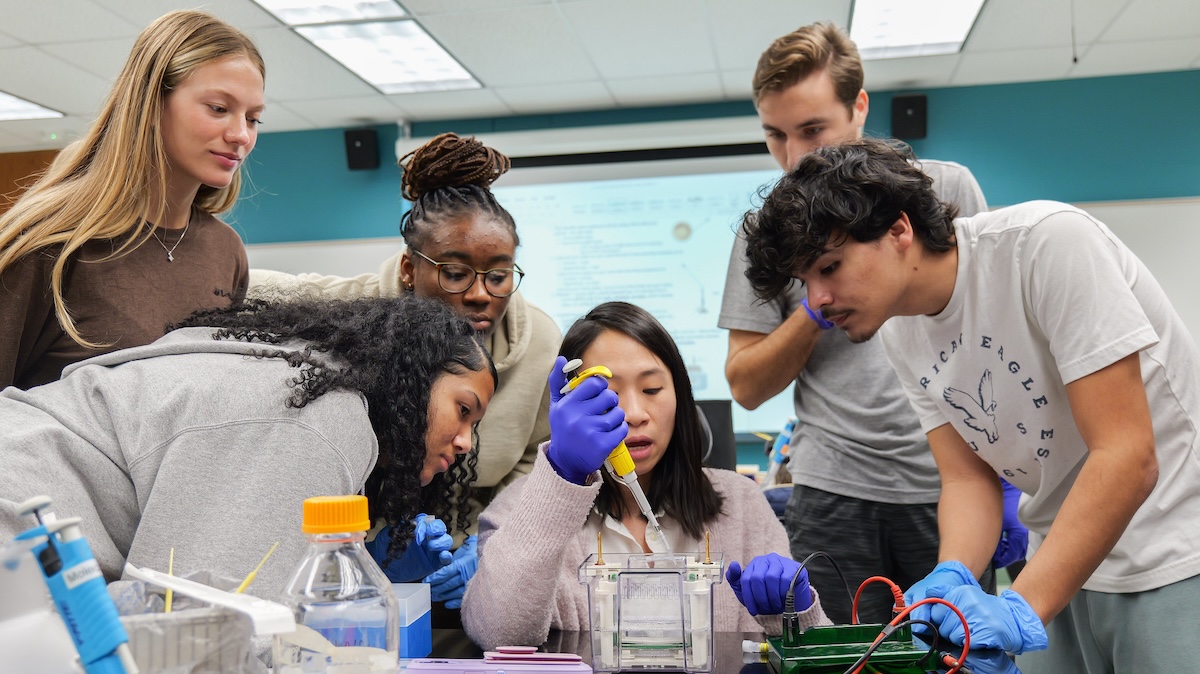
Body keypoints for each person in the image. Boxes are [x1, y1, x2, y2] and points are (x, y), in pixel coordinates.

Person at [741, 137, 1200, 672]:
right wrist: (950, 578)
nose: (815, 300)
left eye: (830, 266)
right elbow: (966, 480)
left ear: (899, 230)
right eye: (805, 281)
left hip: (1171, 550)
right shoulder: (901, 333)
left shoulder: (1047, 244)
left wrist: (1021, 605)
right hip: (1063, 559)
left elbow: (1127, 453)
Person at [718, 21, 1007, 625]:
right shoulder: (767, 233)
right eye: (775, 135)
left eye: (812, 130)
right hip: (834, 487)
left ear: (859, 108)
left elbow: (993, 326)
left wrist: (1007, 476)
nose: (794, 156)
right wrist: (816, 307)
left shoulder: (944, 188)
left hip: (951, 483)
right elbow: (744, 386)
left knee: (953, 653)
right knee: (839, 659)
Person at [0, 294, 495, 607]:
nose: (465, 441)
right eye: (463, 410)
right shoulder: (317, 417)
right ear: (412, 380)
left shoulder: (289, 379)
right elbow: (209, 622)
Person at [250, 133, 559, 610]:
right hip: (359, 573)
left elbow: (533, 462)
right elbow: (248, 288)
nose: (481, 294)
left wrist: (490, 544)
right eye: (455, 273)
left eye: (499, 275)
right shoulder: (353, 318)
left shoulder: (539, 342)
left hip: (474, 583)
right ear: (410, 269)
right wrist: (375, 551)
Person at [461, 301, 833, 650]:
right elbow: (499, 634)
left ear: (681, 397)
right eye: (607, 394)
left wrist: (796, 615)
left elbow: (822, 660)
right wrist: (563, 473)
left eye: (652, 388)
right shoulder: (519, 510)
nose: (634, 413)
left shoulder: (742, 504)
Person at [0, 10, 261, 390]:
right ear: (152, 104)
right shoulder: (47, 243)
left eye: (254, 118)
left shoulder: (225, 250)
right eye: (219, 109)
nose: (241, 134)